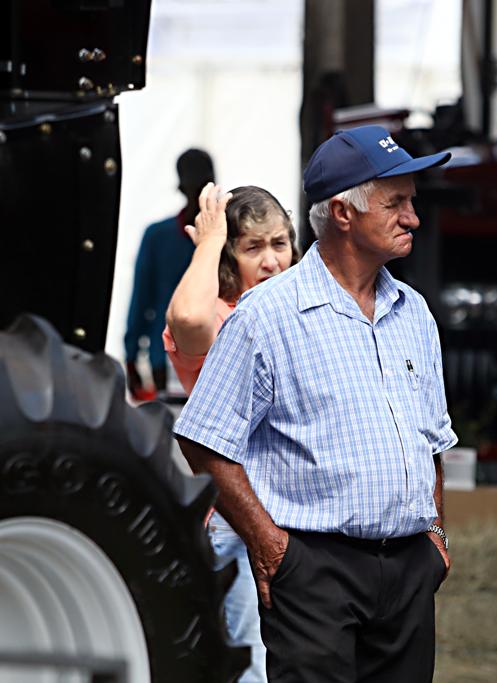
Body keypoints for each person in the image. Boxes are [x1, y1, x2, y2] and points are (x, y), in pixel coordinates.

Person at [173, 125, 457, 683]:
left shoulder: (414, 312)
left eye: (412, 203)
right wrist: (271, 549)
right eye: (395, 203)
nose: (412, 218)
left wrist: (436, 538)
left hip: (407, 571)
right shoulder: (266, 315)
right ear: (343, 214)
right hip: (312, 570)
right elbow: (202, 439)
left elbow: (435, 440)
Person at [163, 183, 298, 682]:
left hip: (295, 520)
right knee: (252, 669)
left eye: (279, 244)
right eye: (252, 247)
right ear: (228, 258)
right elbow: (189, 317)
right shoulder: (222, 315)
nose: (270, 261)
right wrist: (208, 242)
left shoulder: (294, 313)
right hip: (239, 521)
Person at [124, 148, 215, 400]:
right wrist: (131, 357)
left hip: (179, 356)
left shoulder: (159, 235)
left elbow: (140, 302)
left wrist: (131, 356)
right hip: (172, 356)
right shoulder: (158, 236)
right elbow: (140, 301)